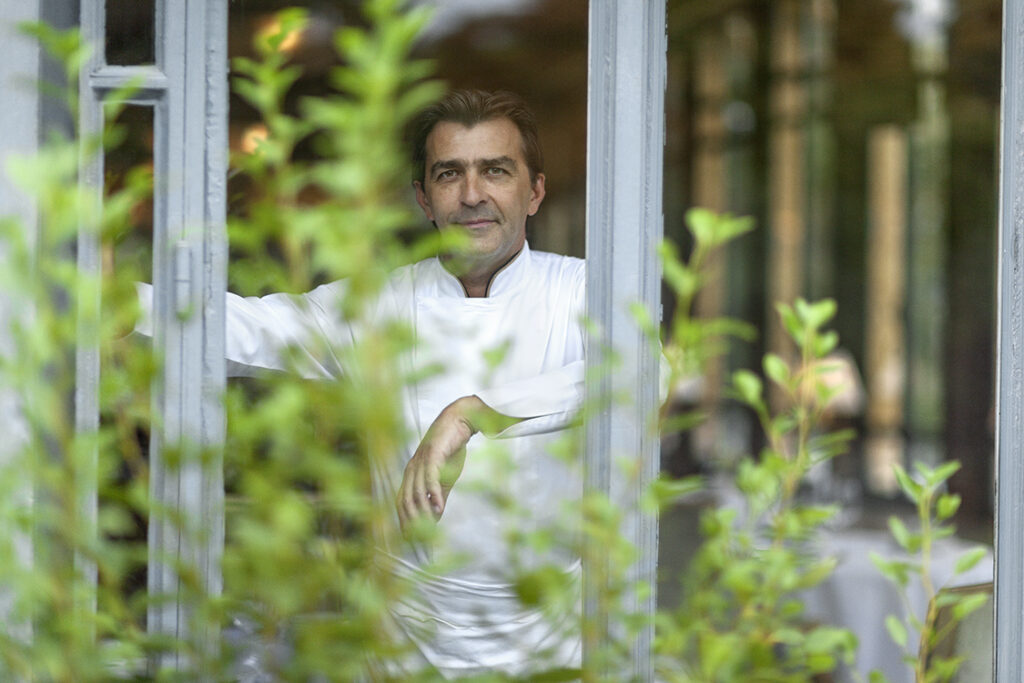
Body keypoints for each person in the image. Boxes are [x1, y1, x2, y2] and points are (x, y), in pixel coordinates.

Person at [138, 89, 586, 677]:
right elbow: (249, 328)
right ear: (423, 199)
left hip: (552, 641)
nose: (472, 194)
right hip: (409, 644)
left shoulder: (580, 290)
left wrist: (472, 412)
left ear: (535, 192)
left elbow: (638, 372)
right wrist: (120, 302)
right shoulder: (381, 305)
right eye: (449, 174)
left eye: (495, 171)